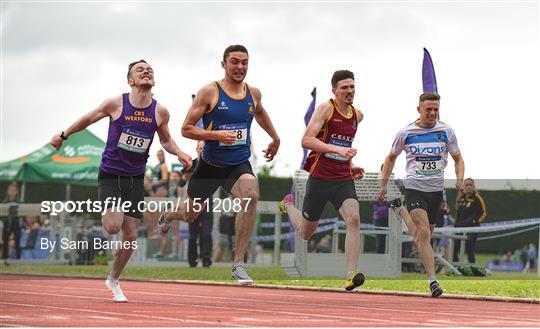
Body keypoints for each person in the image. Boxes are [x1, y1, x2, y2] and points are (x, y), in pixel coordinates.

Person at [50, 59, 192, 302]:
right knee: (114, 226)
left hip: (135, 178)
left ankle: (113, 279)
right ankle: (106, 218)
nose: (146, 71)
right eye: (140, 70)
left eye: (150, 70)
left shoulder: (160, 112)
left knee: (130, 236)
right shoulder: (116, 103)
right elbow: (89, 118)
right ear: (130, 80)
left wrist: (179, 152)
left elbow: (166, 140)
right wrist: (64, 135)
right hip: (110, 174)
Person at [158, 45, 280, 285]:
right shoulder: (209, 92)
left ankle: (238, 264)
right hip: (210, 165)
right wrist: (216, 136)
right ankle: (170, 215)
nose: (240, 67)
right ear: (223, 64)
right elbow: (186, 128)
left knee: (251, 195)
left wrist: (275, 138)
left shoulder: (253, 93)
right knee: (190, 215)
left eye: (244, 62)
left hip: (238, 164)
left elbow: (261, 113)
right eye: (234, 62)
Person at [279, 70, 366, 291]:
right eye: (344, 87)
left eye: (352, 87)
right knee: (307, 233)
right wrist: (335, 148)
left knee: (354, 219)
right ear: (334, 90)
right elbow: (306, 140)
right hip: (320, 178)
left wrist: (352, 165)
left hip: (343, 179)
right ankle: (288, 205)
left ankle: (350, 275)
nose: (349, 91)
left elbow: (343, 147)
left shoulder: (358, 115)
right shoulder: (326, 109)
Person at [377, 92, 465, 297]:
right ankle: (433, 281)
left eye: (436, 109)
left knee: (422, 236)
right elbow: (390, 158)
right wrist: (383, 185)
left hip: (436, 191)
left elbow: (458, 159)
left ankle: (400, 210)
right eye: (428, 109)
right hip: (415, 188)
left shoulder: (446, 131)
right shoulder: (406, 132)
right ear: (419, 109)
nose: (432, 113)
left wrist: (460, 178)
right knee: (423, 231)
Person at [453, 178, 487, 264]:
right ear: (463, 186)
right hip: (459, 228)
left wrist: (476, 222)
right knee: (454, 248)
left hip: (472, 229)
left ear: (473, 187)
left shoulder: (477, 198)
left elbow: (484, 213)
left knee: (469, 249)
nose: (468, 187)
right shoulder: (460, 198)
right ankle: (456, 268)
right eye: (466, 185)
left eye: (470, 185)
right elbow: (457, 211)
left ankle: (472, 267)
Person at [2, 182, 22, 261]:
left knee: (17, 241)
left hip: (15, 223)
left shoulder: (19, 202)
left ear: (16, 192)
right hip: (6, 223)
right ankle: (4, 258)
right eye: (10, 190)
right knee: (5, 241)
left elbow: (21, 213)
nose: (12, 192)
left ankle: (18, 259)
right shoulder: (4, 202)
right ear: (8, 191)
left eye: (14, 191)